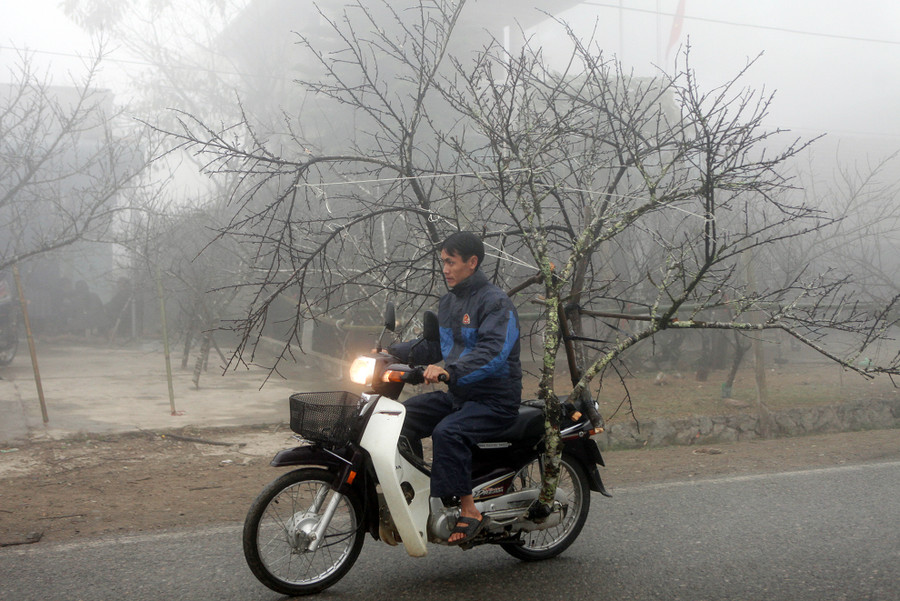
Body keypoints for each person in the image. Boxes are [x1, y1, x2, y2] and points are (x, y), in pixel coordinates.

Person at [389, 231, 522, 545]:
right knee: (397, 417)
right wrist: (393, 352)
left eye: (451, 262)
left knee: (448, 432)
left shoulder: (496, 302)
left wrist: (449, 372)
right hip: (461, 395)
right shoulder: (449, 302)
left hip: (495, 400)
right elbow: (436, 346)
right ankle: (415, 494)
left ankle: (469, 508)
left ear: (472, 262)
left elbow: (493, 353)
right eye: (443, 262)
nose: (445, 269)